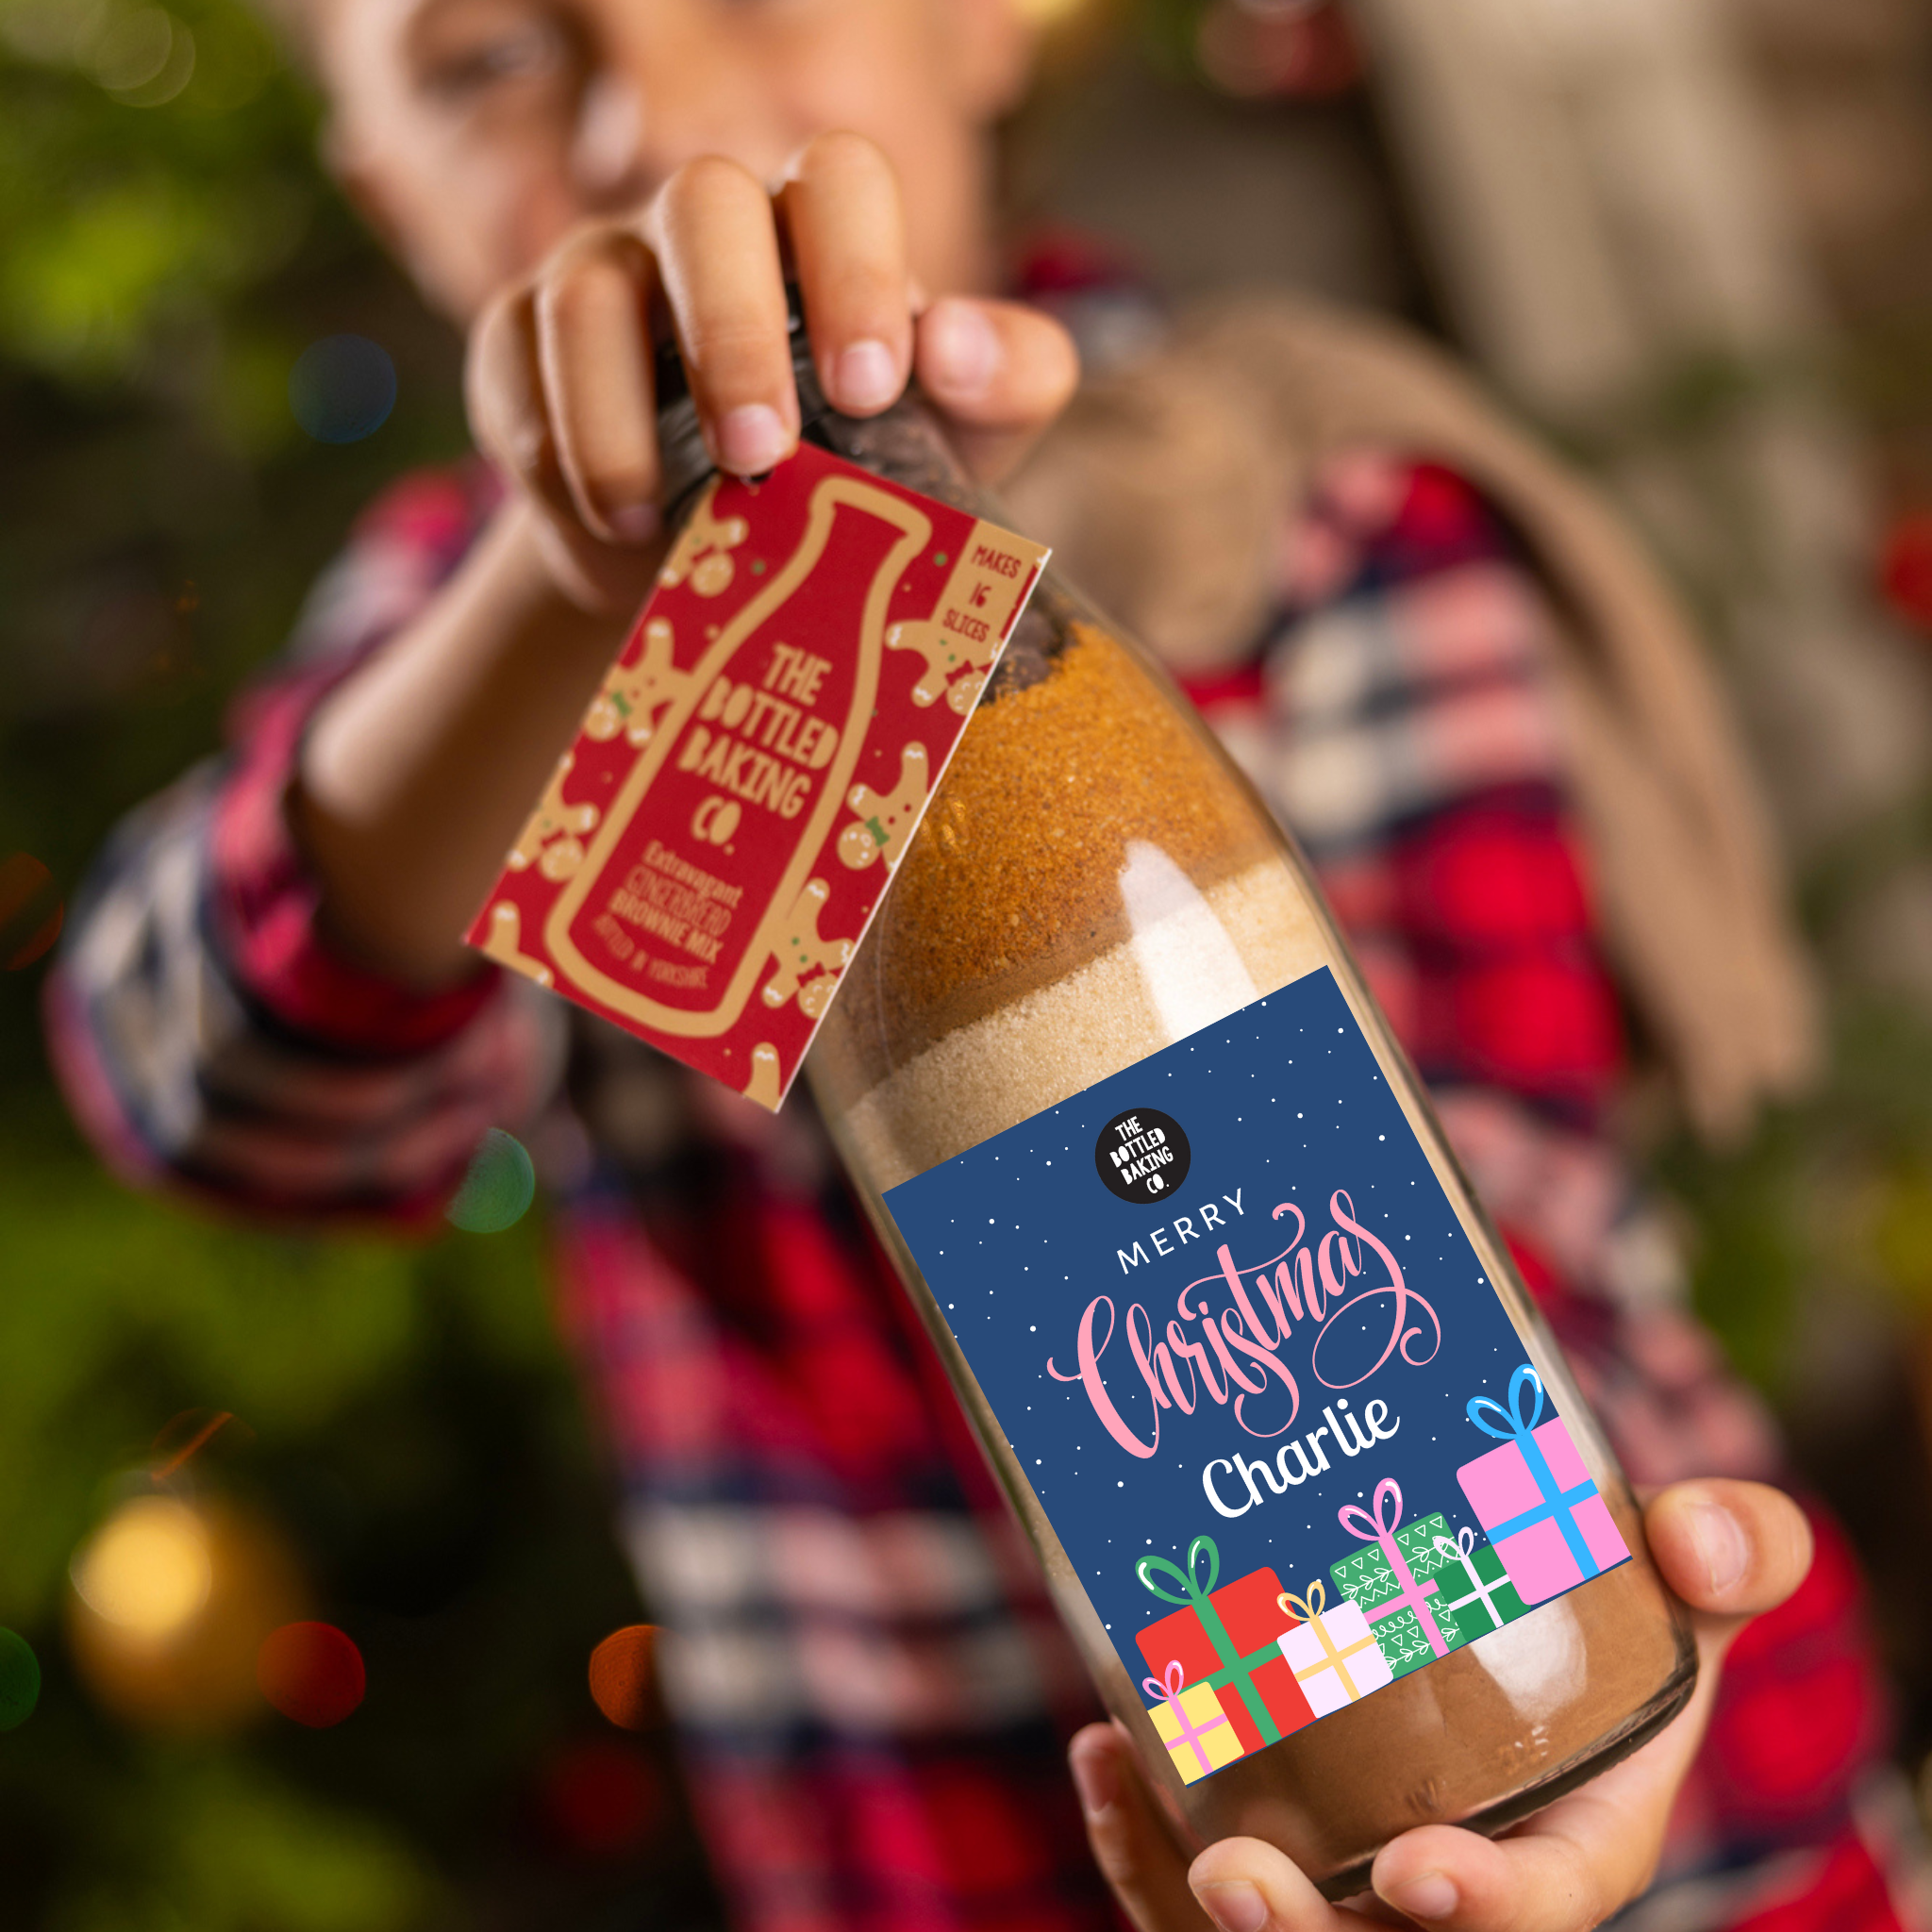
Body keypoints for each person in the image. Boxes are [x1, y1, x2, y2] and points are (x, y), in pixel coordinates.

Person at [42, 2, 1906, 1928]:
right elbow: (207, 1083)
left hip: (1672, 1828)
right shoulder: (480, 645)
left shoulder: (1323, 499)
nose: (650, 121)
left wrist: (1511, 1704)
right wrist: (572, 583)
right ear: (380, 190)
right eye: (481, 58)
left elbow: (1458, 1233)